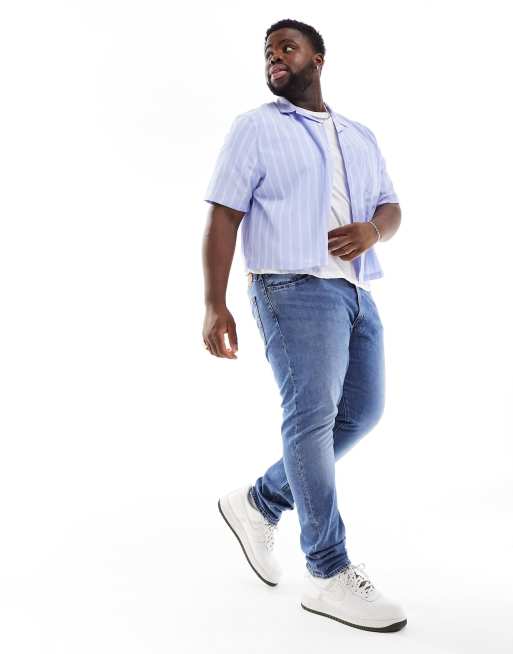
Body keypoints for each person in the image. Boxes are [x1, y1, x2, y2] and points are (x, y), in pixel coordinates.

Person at [201, 18, 407, 633]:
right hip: (289, 287)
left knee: (362, 413)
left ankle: (259, 502)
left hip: (354, 291)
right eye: (269, 51)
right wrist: (214, 302)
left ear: (318, 59)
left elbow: (391, 206)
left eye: (287, 48)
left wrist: (373, 231)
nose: (275, 57)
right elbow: (223, 216)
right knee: (311, 418)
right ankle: (327, 570)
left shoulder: (358, 135)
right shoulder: (256, 127)